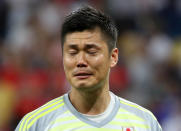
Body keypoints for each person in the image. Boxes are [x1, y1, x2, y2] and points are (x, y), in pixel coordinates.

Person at [15, 6, 162, 131]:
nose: (80, 61)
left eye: (91, 52)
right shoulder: (36, 124)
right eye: (72, 52)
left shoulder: (144, 123)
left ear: (113, 57)